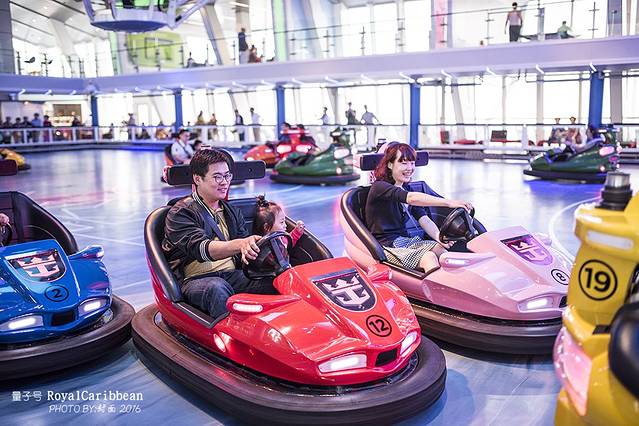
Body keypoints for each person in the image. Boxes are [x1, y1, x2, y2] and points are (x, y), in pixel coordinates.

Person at [163, 149, 277, 319]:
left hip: (232, 275)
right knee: (216, 288)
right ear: (198, 179)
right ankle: (231, 333)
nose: (224, 182)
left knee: (276, 280)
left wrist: (263, 255)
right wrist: (240, 244)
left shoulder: (231, 212)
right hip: (197, 280)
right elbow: (201, 248)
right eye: (217, 177)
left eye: (227, 176)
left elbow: (243, 252)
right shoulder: (181, 213)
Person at [365, 142, 473, 273]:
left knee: (440, 250)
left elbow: (424, 220)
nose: (409, 168)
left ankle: (456, 281)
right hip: (386, 247)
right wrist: (449, 203)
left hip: (404, 242)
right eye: (404, 163)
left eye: (412, 163)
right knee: (428, 257)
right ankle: (436, 285)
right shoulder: (379, 187)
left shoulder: (406, 188)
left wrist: (439, 237)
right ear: (390, 164)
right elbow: (411, 198)